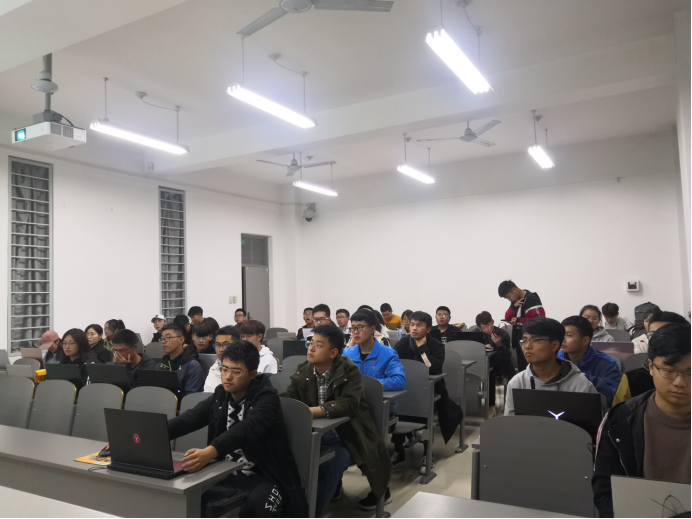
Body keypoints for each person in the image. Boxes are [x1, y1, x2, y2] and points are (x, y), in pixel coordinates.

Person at [168, 341, 308, 518]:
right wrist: (157, 432)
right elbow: (190, 419)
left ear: (252, 374)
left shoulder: (267, 398)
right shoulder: (221, 394)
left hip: (264, 474)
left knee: (258, 509)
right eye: (224, 369)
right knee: (188, 501)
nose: (227, 377)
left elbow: (246, 429)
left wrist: (211, 451)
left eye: (236, 371)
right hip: (223, 472)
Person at [283, 325, 391, 517]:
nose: (311, 349)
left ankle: (311, 513)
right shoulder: (304, 370)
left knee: (334, 461)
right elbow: (290, 396)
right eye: (311, 343)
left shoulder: (349, 371)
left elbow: (348, 404)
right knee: (286, 454)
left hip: (349, 435)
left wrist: (310, 412)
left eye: (318, 345)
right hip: (316, 433)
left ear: (333, 352)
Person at [593, 324, 691, 518]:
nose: (680, 382)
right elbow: (605, 489)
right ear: (651, 367)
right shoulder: (619, 421)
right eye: (668, 370)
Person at [393, 311, 462, 474]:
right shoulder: (402, 344)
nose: (414, 328)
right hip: (406, 390)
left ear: (428, 329)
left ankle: (427, 453)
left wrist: (422, 349)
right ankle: (398, 450)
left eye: (419, 325)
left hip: (431, 390)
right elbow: (392, 364)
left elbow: (431, 368)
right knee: (394, 409)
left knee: (424, 409)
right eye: (412, 325)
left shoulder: (436, 345)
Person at [504, 318, 599, 416]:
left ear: (555, 345)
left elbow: (590, 424)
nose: (527, 346)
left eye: (536, 340)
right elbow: (510, 423)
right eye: (524, 340)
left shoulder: (581, 386)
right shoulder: (518, 383)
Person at [559, 316, 622, 407]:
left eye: (569, 335)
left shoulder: (607, 363)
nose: (562, 340)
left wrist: (588, 379)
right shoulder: (554, 359)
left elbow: (617, 397)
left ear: (585, 340)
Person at [343, 309, 406, 392]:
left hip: (377, 398)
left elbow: (399, 381)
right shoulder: (347, 353)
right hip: (352, 398)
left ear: (372, 329)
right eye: (353, 328)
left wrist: (369, 384)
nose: (355, 332)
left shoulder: (388, 354)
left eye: (360, 327)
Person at [498, 280, 546, 371]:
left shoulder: (532, 299)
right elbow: (508, 317)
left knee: (531, 369)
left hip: (531, 341)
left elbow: (539, 320)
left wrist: (519, 321)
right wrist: (513, 307)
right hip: (520, 340)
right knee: (522, 369)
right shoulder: (516, 301)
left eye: (509, 297)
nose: (509, 300)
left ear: (514, 290)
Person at [476, 311, 513, 417]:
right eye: (483, 327)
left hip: (501, 363)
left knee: (490, 373)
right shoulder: (477, 334)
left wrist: (499, 344)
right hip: (482, 363)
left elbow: (507, 354)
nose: (486, 329)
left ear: (492, 322)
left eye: (488, 326)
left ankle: (491, 405)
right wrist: (482, 347)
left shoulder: (502, 334)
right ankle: (472, 404)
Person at [156, 323, 205, 397]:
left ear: (181, 339)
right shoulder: (161, 365)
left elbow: (191, 398)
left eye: (168, 337)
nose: (163, 341)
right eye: (162, 338)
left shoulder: (192, 366)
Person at [204, 326, 241, 393]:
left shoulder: (242, 370)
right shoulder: (215, 366)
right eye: (217, 345)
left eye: (226, 345)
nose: (221, 349)